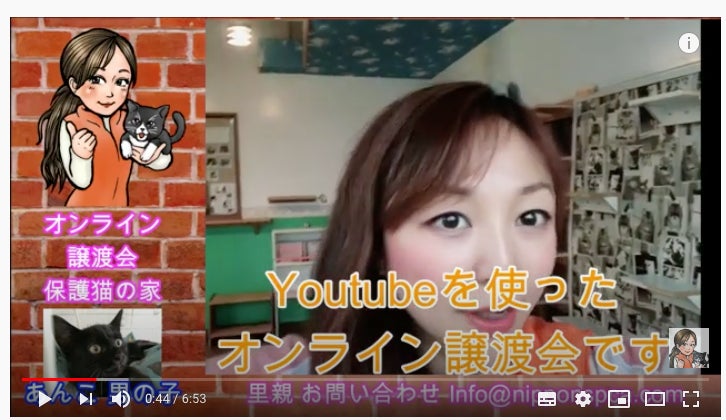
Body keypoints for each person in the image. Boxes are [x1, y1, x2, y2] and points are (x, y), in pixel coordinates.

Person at [231, 82, 689, 376]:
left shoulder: (589, 364)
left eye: (531, 217)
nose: (505, 269)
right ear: (378, 248)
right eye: (450, 219)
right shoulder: (298, 374)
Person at [37, 28, 170, 207]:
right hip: (83, 213)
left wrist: (153, 158)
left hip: (119, 212)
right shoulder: (71, 124)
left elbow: (163, 160)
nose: (110, 93)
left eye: (121, 81)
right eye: (97, 79)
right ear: (74, 85)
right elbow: (81, 181)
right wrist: (81, 155)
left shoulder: (130, 121)